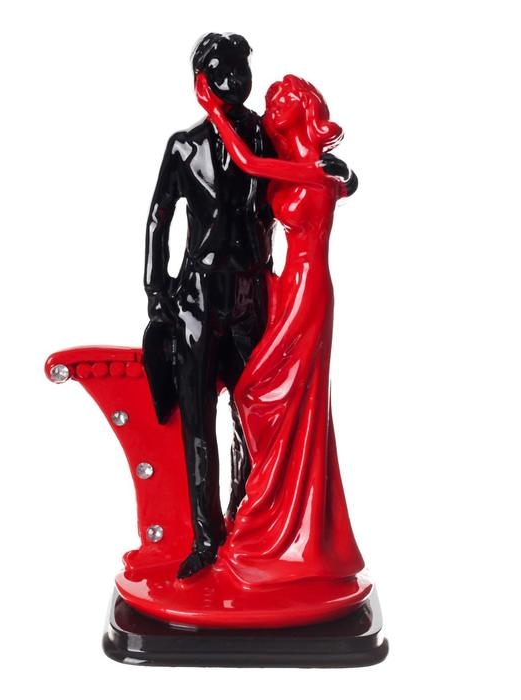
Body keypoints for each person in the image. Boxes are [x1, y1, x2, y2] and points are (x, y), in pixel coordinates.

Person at [195, 73, 364, 585]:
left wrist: (215, 111)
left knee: (261, 391)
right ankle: (278, 514)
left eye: (280, 101)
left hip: (310, 287)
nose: (272, 107)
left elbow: (248, 163)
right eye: (271, 102)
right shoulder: (295, 163)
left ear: (301, 106)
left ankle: (287, 529)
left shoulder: (321, 168)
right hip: (283, 282)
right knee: (272, 395)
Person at [143, 34, 276, 579]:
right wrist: (156, 290)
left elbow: (302, 174)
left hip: (251, 290)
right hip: (198, 294)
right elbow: (159, 217)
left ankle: (246, 521)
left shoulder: (265, 138)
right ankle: (205, 535)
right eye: (224, 70)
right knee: (198, 418)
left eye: (241, 68)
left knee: (253, 413)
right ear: (203, 81)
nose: (235, 79)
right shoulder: (184, 146)